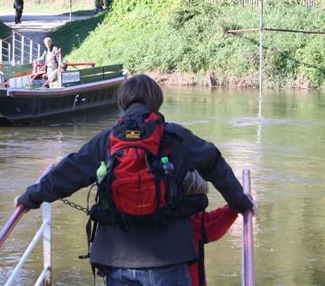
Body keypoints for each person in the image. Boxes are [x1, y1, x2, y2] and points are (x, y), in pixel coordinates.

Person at [16, 74, 254, 286]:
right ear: (157, 101)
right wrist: (241, 202)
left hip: (117, 258)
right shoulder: (175, 137)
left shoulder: (108, 139)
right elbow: (214, 163)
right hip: (168, 258)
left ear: (123, 102)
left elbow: (69, 172)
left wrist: (30, 197)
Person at [183, 171, 242, 286]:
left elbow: (207, 218)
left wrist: (231, 206)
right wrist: (234, 210)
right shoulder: (185, 224)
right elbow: (212, 230)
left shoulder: (181, 214)